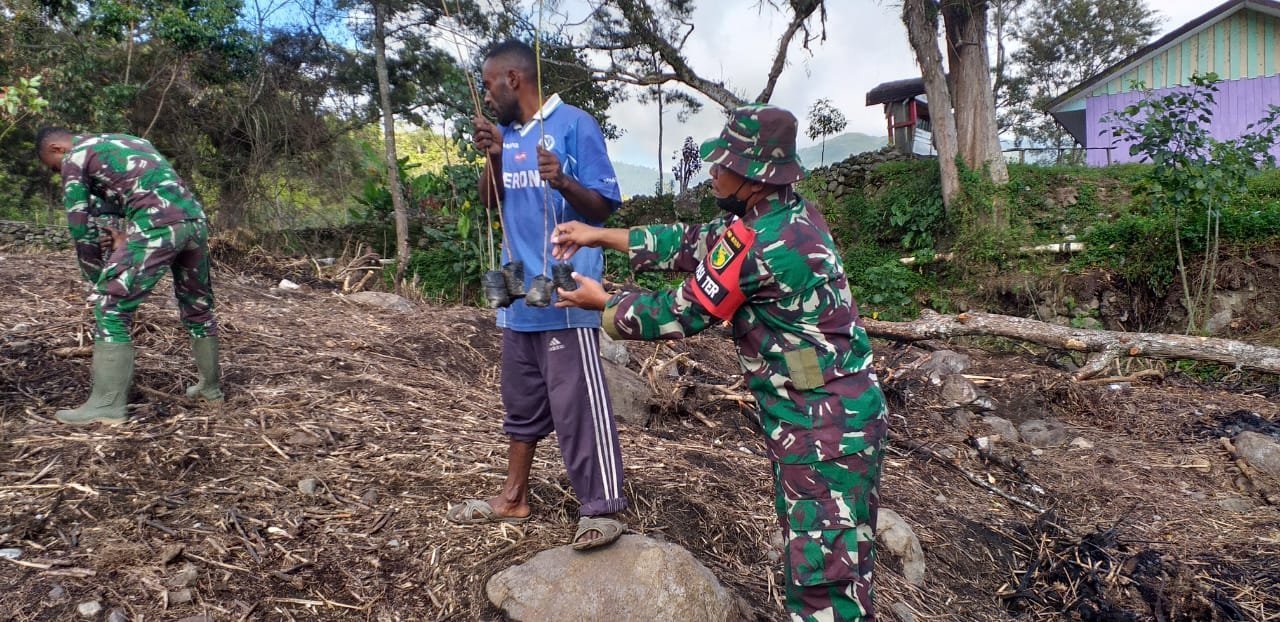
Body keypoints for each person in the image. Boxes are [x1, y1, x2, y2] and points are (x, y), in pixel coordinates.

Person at [552, 104, 888, 620]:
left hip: (823, 433)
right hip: (835, 417)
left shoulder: (762, 244)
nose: (712, 170)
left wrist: (603, 303)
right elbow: (692, 242)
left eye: (724, 163)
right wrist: (596, 235)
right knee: (839, 566)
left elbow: (682, 311)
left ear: (754, 177)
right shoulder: (785, 216)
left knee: (825, 585)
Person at [445, 39, 628, 550]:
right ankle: (513, 497)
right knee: (521, 407)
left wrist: (562, 180)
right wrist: (494, 156)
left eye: (489, 86)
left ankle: (602, 507)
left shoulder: (574, 125)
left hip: (567, 297)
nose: (486, 97)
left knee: (578, 408)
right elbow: (490, 201)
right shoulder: (504, 135)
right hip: (517, 298)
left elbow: (604, 208)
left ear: (513, 79)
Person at [36, 128, 222, 425]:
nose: (59, 172)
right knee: (197, 306)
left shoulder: (75, 156)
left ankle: (106, 406)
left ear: (57, 148)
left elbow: (79, 225)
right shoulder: (130, 142)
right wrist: (120, 237)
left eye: (54, 167)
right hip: (194, 221)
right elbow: (128, 194)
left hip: (157, 224)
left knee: (110, 307)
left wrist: (95, 277)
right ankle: (210, 390)